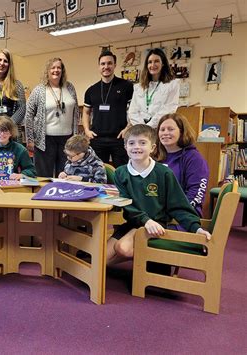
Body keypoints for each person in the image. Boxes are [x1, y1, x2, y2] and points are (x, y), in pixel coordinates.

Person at [107, 124, 211, 264]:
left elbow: (179, 205)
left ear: (153, 148)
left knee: (122, 249)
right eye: (131, 143)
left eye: (142, 143)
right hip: (132, 222)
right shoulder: (120, 172)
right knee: (101, 262)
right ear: (125, 147)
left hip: (155, 225)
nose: (136, 147)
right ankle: (149, 261)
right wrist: (145, 220)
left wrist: (196, 228)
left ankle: (152, 262)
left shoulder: (164, 172)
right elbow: (126, 203)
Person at [25, 57, 79, 177]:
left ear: (62, 70)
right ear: (47, 71)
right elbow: (28, 114)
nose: (56, 70)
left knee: (66, 175)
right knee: (44, 177)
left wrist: (76, 137)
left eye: (59, 67)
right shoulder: (39, 90)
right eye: (53, 67)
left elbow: (76, 113)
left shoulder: (70, 87)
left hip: (68, 141)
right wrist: (30, 139)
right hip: (44, 141)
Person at [82, 51, 134, 168]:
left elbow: (134, 110)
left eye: (109, 63)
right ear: (99, 66)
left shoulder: (127, 86)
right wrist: (86, 130)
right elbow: (86, 112)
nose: (106, 67)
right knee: (98, 172)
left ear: (115, 65)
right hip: (97, 138)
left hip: (119, 138)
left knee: (122, 172)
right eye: (103, 64)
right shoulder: (91, 90)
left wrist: (128, 128)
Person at [154, 113, 209, 216]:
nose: (165, 133)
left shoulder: (194, 158)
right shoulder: (154, 156)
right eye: (162, 130)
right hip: (157, 213)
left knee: (137, 230)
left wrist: (176, 214)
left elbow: (196, 193)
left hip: (183, 216)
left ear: (182, 131)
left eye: (170, 129)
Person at [128, 48, 180, 129]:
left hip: (160, 129)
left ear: (163, 64)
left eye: (156, 61)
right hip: (141, 130)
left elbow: (168, 109)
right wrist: (143, 127)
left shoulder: (172, 84)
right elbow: (132, 112)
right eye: (150, 62)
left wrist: (149, 126)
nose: (152, 65)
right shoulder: (139, 87)